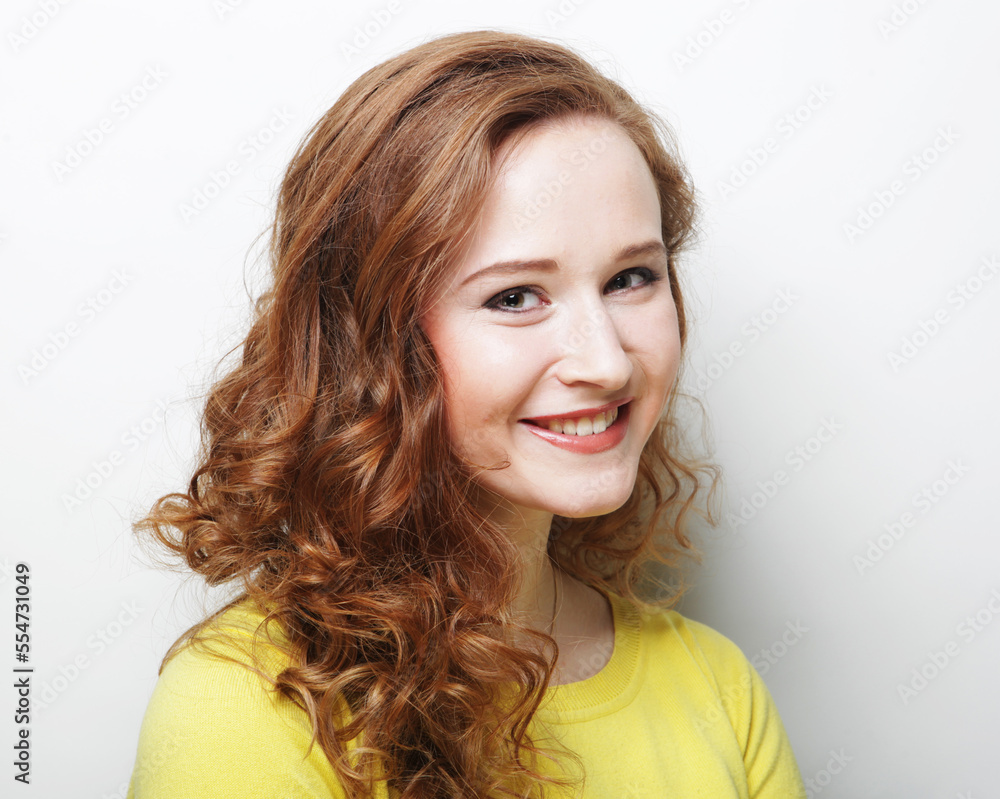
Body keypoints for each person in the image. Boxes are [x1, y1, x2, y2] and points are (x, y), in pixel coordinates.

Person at [126, 29, 808, 799]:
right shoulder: (243, 707)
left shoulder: (719, 686)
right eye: (515, 296)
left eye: (631, 278)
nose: (608, 362)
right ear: (371, 345)